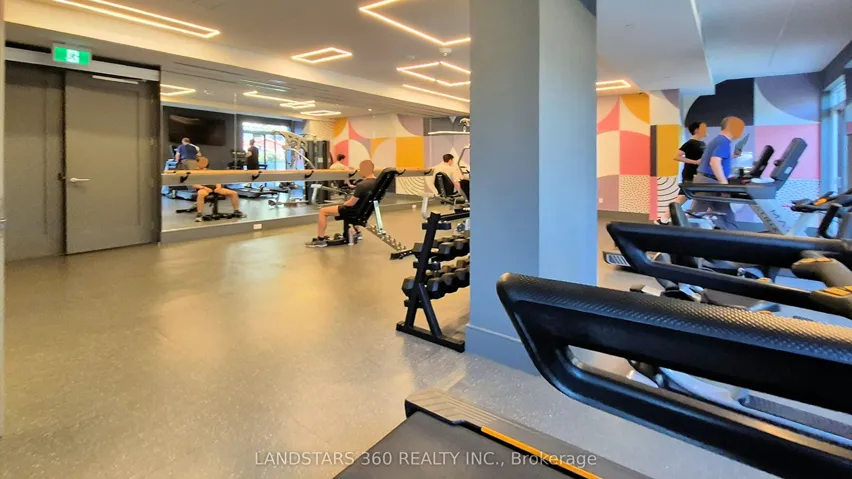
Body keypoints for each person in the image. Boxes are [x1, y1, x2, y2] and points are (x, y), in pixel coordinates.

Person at [691, 116, 746, 230]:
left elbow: (714, 160)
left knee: (724, 213)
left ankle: (731, 235)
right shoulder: (723, 142)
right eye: (740, 128)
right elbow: (714, 162)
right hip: (709, 182)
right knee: (696, 214)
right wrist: (724, 185)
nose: (741, 131)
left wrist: (732, 156)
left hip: (707, 180)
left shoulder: (719, 140)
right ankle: (683, 236)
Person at [306, 160, 376, 248]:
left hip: (354, 211)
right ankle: (357, 233)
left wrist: (344, 203)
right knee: (353, 208)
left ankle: (320, 240)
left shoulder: (362, 185)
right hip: (364, 211)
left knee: (323, 211)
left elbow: (351, 203)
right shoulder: (377, 183)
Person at [656, 122, 707, 224]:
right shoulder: (690, 143)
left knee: (698, 198)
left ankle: (690, 217)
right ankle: (663, 218)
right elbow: (676, 156)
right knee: (682, 197)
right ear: (697, 130)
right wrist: (694, 162)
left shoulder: (702, 144)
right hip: (690, 175)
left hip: (700, 175)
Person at [191, 156, 246, 222]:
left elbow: (217, 180)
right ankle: (199, 214)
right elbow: (194, 184)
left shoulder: (210, 171)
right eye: (202, 162)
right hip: (204, 189)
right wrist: (204, 187)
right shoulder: (193, 172)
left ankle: (236, 211)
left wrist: (218, 187)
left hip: (215, 188)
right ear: (197, 162)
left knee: (234, 193)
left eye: (206, 162)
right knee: (201, 194)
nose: (204, 163)